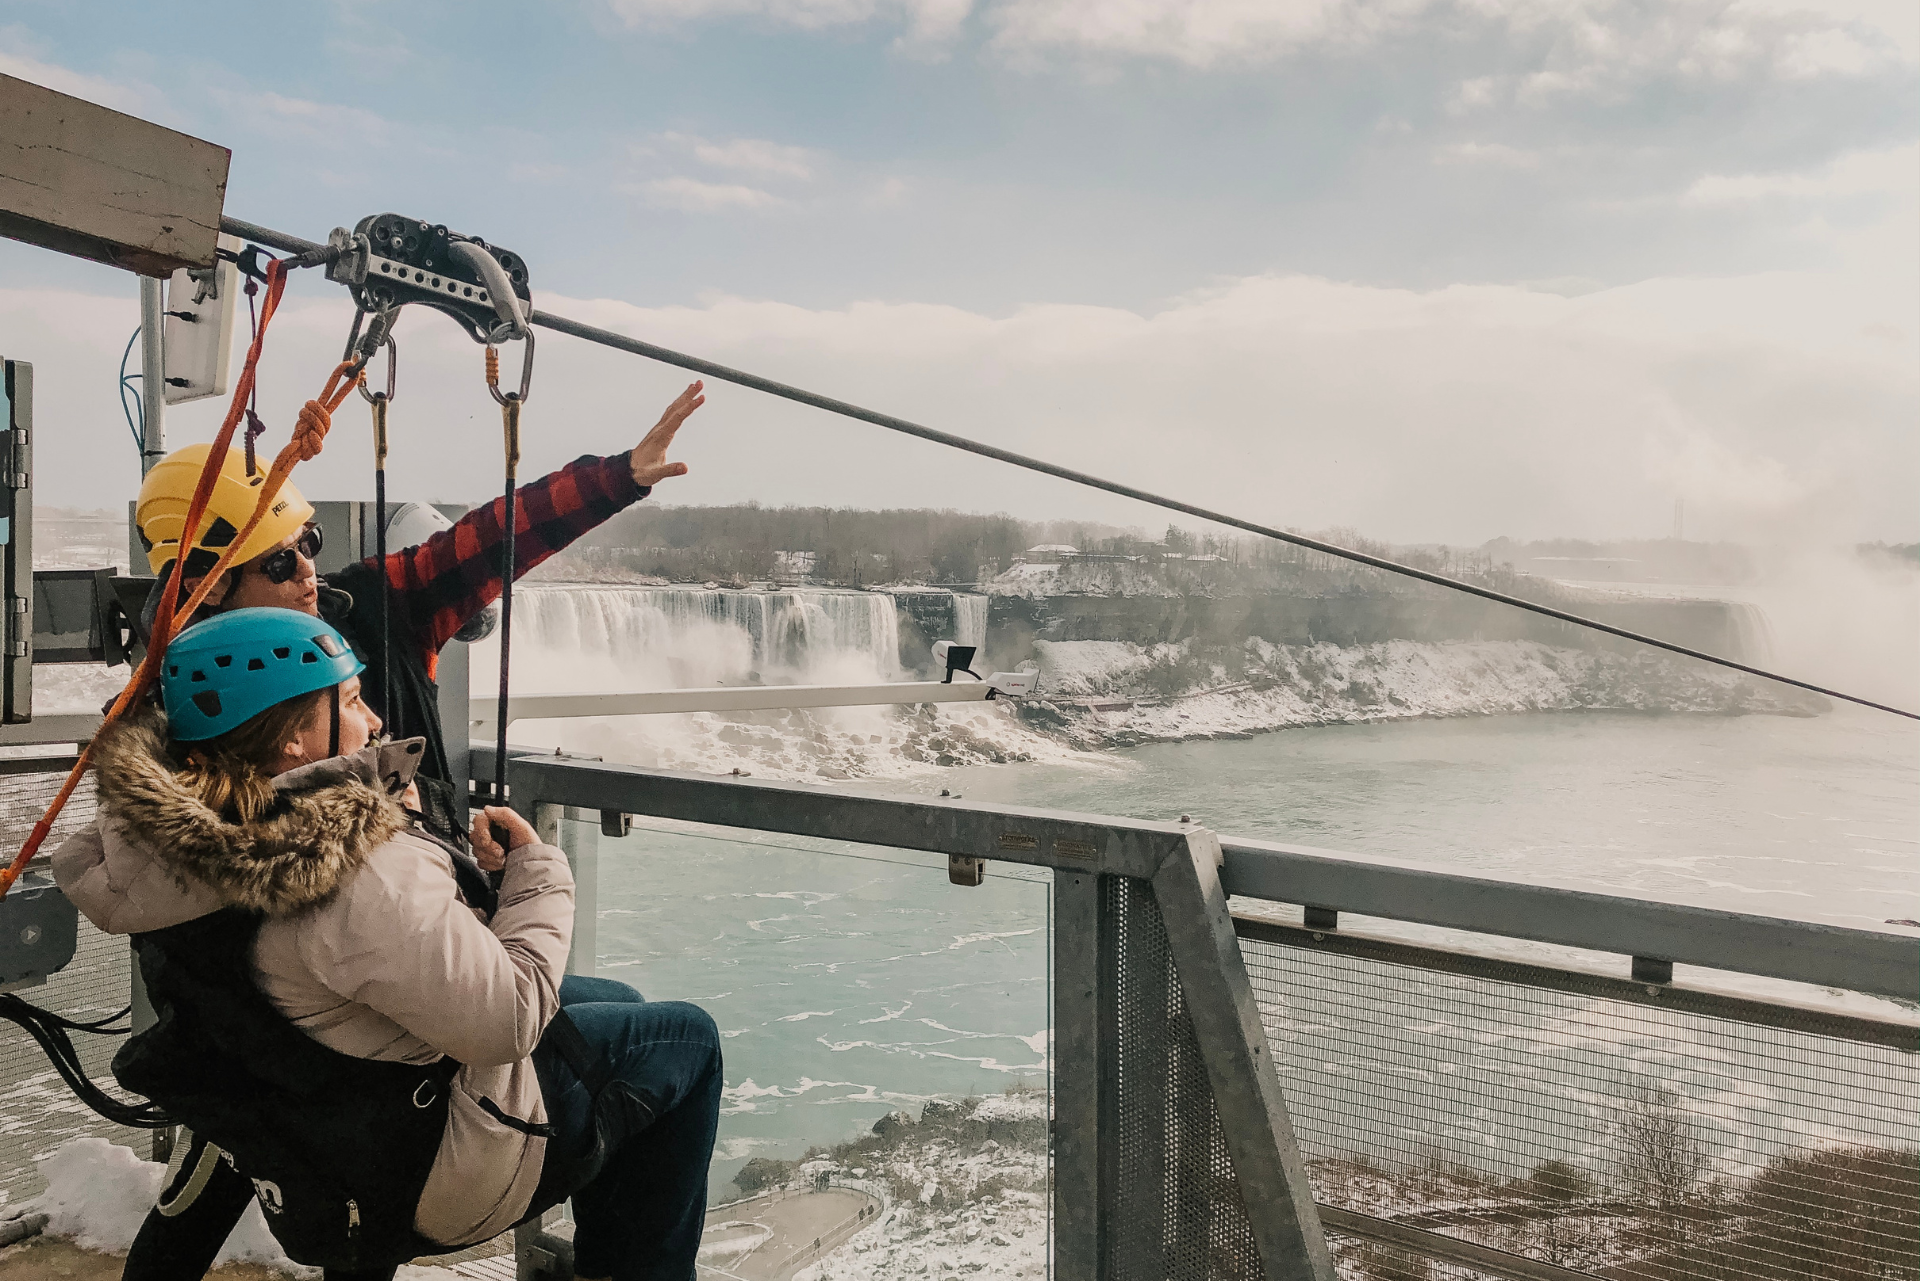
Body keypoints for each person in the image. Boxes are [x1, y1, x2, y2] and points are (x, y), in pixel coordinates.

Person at [53, 608, 722, 1281]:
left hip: (314, 1153)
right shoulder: (345, 870)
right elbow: (509, 1019)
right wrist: (536, 870)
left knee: (616, 1001)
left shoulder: (162, 853)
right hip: (426, 1174)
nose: (374, 719)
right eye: (349, 700)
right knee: (687, 1041)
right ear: (292, 739)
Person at [133, 381, 706, 838]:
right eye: (279, 563)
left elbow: (491, 539)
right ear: (208, 587)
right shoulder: (175, 717)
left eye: (309, 542)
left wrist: (617, 479)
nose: (309, 569)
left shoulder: (376, 605)